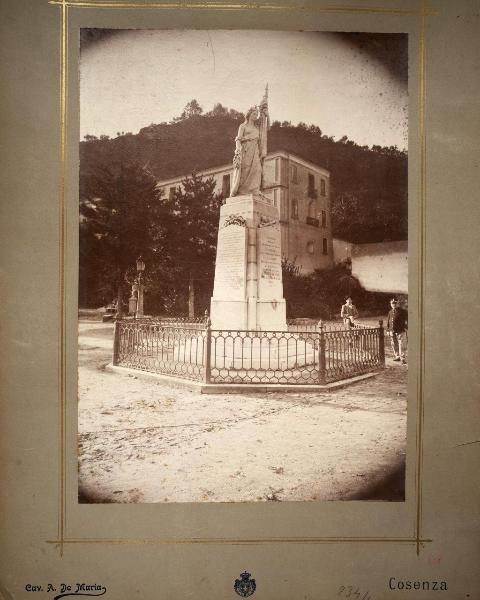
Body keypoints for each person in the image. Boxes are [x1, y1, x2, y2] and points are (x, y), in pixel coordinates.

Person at [231, 88, 269, 197]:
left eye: (257, 113)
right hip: (245, 151)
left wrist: (266, 115)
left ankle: (254, 189)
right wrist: (238, 150)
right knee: (245, 170)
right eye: (254, 113)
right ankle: (242, 191)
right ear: (249, 114)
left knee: (257, 169)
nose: (256, 115)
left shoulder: (257, 127)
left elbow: (267, 128)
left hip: (255, 152)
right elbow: (238, 139)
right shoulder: (242, 126)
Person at [386, 298, 408, 364]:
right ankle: (397, 356)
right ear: (390, 304)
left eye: (395, 303)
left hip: (400, 330)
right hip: (392, 331)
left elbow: (408, 320)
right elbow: (388, 321)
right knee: (394, 344)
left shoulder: (403, 311)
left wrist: (406, 328)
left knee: (401, 344)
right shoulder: (390, 312)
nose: (394, 305)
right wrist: (388, 330)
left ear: (397, 304)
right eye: (392, 303)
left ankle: (402, 358)